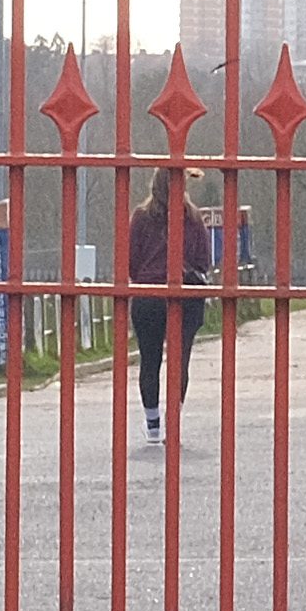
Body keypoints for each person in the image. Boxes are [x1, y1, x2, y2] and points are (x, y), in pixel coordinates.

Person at [121, 167, 209, 443]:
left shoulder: (141, 217)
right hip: (184, 296)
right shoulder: (193, 219)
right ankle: (174, 421)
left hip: (148, 296)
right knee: (179, 361)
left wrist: (147, 276)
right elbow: (204, 261)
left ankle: (153, 425)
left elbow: (130, 262)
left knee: (149, 360)